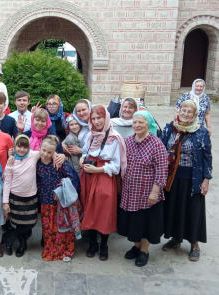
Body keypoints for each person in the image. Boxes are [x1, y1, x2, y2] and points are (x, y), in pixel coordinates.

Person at [161, 100, 212, 262]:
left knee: (193, 211)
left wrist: (206, 180)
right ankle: (176, 238)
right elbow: (161, 149)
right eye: (183, 110)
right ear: (179, 111)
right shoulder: (170, 128)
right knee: (174, 208)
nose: (185, 114)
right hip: (172, 177)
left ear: (195, 115)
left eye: (189, 112)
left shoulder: (201, 131)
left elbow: (207, 157)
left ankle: (194, 244)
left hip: (192, 178)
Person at [117, 111, 168, 267]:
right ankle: (136, 245)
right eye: (135, 122)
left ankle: (144, 251)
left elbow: (162, 169)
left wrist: (155, 192)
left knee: (147, 222)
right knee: (134, 222)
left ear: (149, 124)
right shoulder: (128, 141)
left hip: (147, 193)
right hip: (130, 191)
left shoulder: (156, 143)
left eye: (141, 122)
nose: (137, 125)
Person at [79, 105, 127, 261]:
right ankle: (92, 243)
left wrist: (97, 170)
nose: (96, 121)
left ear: (105, 118)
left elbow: (116, 166)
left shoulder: (115, 137)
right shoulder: (90, 135)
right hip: (88, 175)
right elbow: (86, 151)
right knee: (88, 208)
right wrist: (82, 159)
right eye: (93, 118)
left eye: (99, 117)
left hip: (103, 176)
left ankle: (104, 245)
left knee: (104, 210)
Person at [37, 136, 80, 261]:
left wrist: (60, 190)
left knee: (63, 228)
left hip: (61, 203)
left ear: (55, 152)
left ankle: (65, 250)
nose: (45, 154)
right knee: (48, 228)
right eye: (43, 150)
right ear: (40, 148)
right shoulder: (38, 163)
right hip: (45, 202)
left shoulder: (60, 163)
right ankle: (50, 248)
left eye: (50, 152)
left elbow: (73, 180)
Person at [3, 135, 39, 257]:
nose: (21, 149)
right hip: (16, 197)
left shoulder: (33, 155)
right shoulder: (11, 161)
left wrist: (58, 155)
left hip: (31, 197)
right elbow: (7, 182)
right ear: (15, 146)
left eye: (25, 147)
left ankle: (16, 237)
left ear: (28, 147)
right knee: (18, 224)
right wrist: (5, 201)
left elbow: (47, 151)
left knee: (29, 223)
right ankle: (22, 244)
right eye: (19, 146)